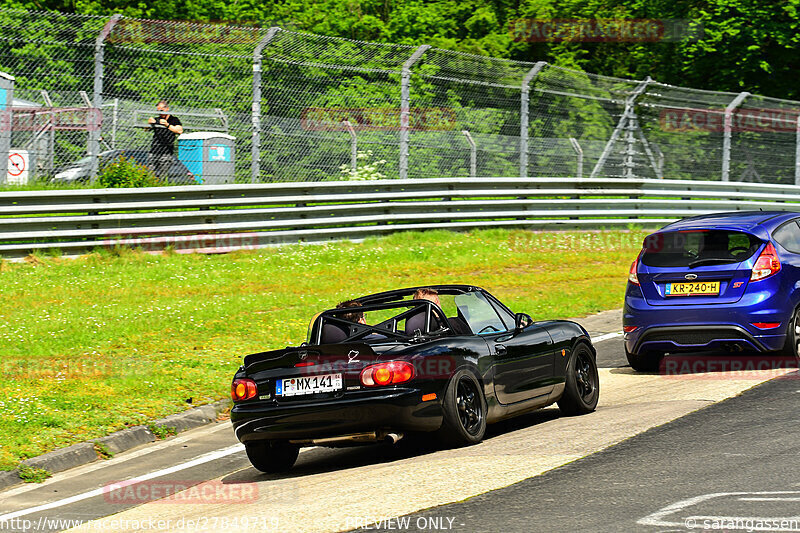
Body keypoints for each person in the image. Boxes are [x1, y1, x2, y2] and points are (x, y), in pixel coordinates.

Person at [147, 100, 183, 180]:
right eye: (158, 111)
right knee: (150, 174)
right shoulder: (157, 119)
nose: (160, 113)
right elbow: (146, 129)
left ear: (167, 109)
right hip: (154, 151)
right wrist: (149, 123)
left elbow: (179, 130)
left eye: (162, 110)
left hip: (166, 152)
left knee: (163, 176)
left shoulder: (174, 120)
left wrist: (167, 125)